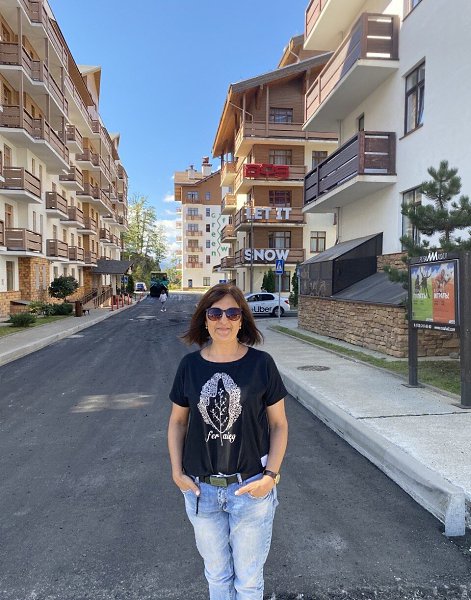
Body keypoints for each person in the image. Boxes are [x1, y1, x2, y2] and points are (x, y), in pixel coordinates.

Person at [168, 283, 288, 600]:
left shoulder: (261, 364)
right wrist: (177, 473)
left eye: (233, 313)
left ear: (242, 320)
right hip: (201, 491)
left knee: (248, 581)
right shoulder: (189, 366)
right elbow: (178, 422)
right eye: (215, 313)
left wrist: (270, 476)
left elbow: (279, 425)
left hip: (250, 488)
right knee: (217, 577)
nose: (224, 320)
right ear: (205, 320)